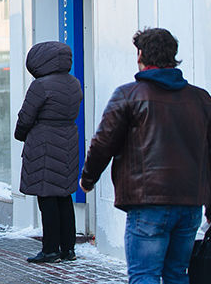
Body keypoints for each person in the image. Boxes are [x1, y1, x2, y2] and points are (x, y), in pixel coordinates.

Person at [80, 28, 211, 283]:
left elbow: (102, 144)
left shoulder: (128, 95)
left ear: (140, 54)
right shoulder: (201, 99)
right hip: (189, 204)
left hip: (148, 203)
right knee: (177, 274)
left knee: (144, 275)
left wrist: (88, 179)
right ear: (173, 56)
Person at [14, 42, 83, 263]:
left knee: (47, 199)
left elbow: (26, 117)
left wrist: (20, 134)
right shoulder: (74, 83)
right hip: (68, 141)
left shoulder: (40, 86)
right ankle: (68, 249)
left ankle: (50, 249)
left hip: (44, 143)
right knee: (64, 197)